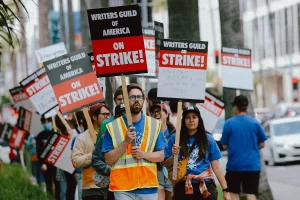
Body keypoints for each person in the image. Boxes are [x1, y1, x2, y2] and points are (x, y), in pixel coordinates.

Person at [102, 84, 167, 200]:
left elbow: (161, 156)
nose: (136, 100)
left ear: (143, 100)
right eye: (132, 97)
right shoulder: (112, 126)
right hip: (123, 188)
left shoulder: (155, 125)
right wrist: (125, 142)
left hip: (148, 186)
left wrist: (144, 154)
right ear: (125, 100)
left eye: (139, 97)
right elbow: (108, 160)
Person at [164, 106, 231, 200]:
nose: (191, 120)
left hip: (205, 184)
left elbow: (216, 167)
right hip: (182, 185)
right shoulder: (175, 138)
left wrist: (225, 190)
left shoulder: (209, 139)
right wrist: (174, 155)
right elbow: (166, 164)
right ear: (183, 120)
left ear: (199, 119)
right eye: (188, 117)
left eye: (194, 117)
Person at [220, 95, 267, 200]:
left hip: (234, 166)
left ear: (236, 107)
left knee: (233, 193)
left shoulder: (229, 124)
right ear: (246, 106)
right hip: (252, 165)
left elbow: (224, 144)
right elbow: (262, 144)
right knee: (250, 193)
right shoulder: (255, 123)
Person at [72, 103, 111, 200]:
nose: (107, 117)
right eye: (104, 114)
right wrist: (93, 154)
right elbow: (76, 161)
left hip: (112, 186)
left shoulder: (113, 134)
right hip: (91, 188)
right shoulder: (82, 138)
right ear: (94, 117)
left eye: (108, 114)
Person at [92, 104, 126, 200]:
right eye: (121, 116)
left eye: (126, 116)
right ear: (115, 117)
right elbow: (95, 160)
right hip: (114, 186)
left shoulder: (137, 136)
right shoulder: (106, 137)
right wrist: (109, 169)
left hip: (134, 186)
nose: (123, 119)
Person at [150, 104, 175, 200]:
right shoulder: (149, 132)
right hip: (156, 172)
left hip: (171, 172)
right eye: (153, 112)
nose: (156, 114)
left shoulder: (174, 133)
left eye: (159, 111)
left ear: (166, 114)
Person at [35, 116, 60, 199]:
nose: (47, 124)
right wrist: (42, 163)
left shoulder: (56, 133)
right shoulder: (40, 136)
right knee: (48, 183)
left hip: (56, 162)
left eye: (48, 122)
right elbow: (38, 151)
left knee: (58, 183)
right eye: (45, 122)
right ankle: (49, 197)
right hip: (46, 164)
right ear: (42, 123)